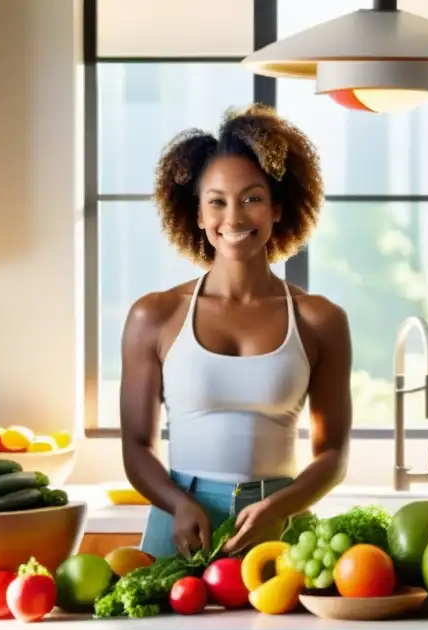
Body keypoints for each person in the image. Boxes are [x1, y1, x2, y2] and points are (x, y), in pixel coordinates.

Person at [120, 104, 353, 559]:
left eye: (252, 198)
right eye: (217, 201)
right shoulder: (155, 316)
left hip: (281, 523)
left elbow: (333, 454)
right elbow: (135, 445)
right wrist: (177, 503)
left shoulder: (320, 320)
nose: (235, 217)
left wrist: (277, 507)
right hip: (182, 522)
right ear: (198, 215)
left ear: (278, 208)